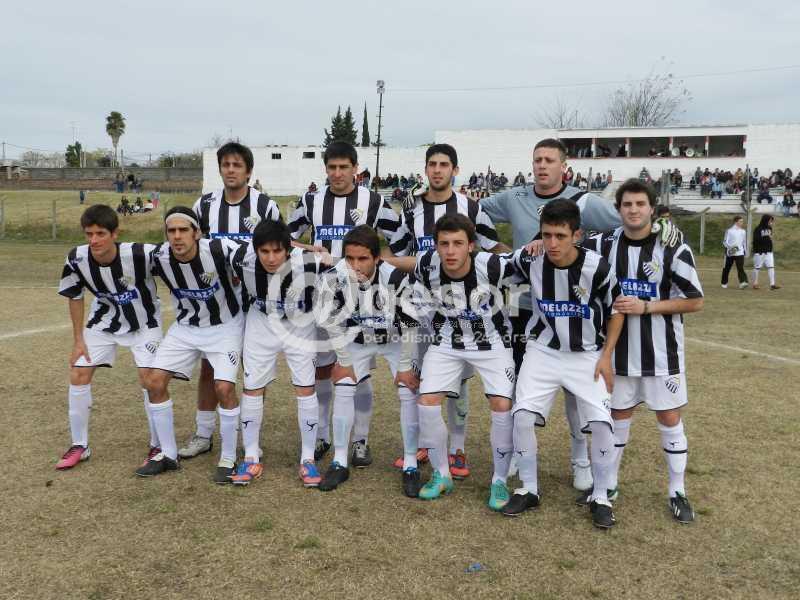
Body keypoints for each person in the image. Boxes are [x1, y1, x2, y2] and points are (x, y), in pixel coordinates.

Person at [479, 138, 625, 492]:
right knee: (521, 385)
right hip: (525, 309)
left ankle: (580, 460)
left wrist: (660, 226)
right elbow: (476, 212)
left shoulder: (584, 201)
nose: (542, 165)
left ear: (564, 166)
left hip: (573, 311)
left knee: (576, 395)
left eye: (549, 160)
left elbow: (624, 224)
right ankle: (519, 454)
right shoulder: (514, 197)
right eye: (537, 160)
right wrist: (498, 246)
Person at [580, 179, 704, 524]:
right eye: (627, 204)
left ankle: (677, 491)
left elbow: (695, 300)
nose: (634, 210)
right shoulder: (603, 244)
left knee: (669, 418)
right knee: (617, 418)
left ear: (652, 208)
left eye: (640, 204)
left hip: (662, 354)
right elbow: (566, 240)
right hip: (617, 355)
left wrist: (646, 306)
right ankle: (609, 486)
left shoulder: (673, 247)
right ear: (618, 209)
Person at [384, 143, 510, 480]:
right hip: (423, 306)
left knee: (461, 381)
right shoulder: (411, 210)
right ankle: (427, 444)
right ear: (425, 169)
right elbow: (398, 254)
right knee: (423, 377)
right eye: (432, 164)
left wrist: (525, 257)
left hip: (463, 307)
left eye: (444, 165)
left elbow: (491, 247)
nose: (437, 170)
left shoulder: (471, 207)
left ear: (455, 170)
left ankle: (457, 449)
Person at [505, 199, 623, 529]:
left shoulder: (597, 267)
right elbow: (494, 265)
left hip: (587, 354)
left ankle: (601, 496)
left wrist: (607, 356)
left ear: (577, 235)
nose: (552, 243)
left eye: (560, 236)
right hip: (543, 350)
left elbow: (616, 310)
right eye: (546, 235)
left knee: (601, 425)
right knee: (522, 416)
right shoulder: (531, 258)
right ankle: (529, 489)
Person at [287, 141, 401, 468]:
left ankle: (360, 440)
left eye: (343, 167)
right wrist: (310, 250)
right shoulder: (311, 200)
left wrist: (379, 268)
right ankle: (323, 434)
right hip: (323, 297)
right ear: (325, 169)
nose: (337, 173)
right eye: (332, 167)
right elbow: (286, 238)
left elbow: (401, 240)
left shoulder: (373, 201)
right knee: (324, 368)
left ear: (355, 169)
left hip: (362, 300)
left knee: (359, 373)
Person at [179, 142, 282, 462]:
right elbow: (194, 248)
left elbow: (279, 248)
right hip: (217, 300)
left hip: (254, 300)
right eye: (226, 165)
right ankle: (203, 433)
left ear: (249, 171)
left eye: (237, 165)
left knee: (254, 371)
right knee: (209, 368)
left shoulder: (265, 206)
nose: (231, 170)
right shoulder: (204, 205)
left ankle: (251, 437)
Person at [412, 214, 516, 511]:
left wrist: (536, 246)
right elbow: (408, 267)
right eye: (444, 244)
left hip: (493, 342)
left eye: (458, 243)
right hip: (448, 341)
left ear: (471, 246)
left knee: (501, 405)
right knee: (426, 402)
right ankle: (441, 474)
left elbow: (527, 263)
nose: (450, 251)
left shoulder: (492, 265)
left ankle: (499, 479)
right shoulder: (426, 265)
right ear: (435, 246)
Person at [56, 205, 163, 470]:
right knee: (78, 372)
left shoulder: (141, 254)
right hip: (104, 322)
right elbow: (74, 296)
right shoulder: (77, 258)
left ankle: (157, 445)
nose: (94, 240)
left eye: (100, 234)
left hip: (145, 323)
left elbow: (176, 262)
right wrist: (78, 340)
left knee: (149, 379)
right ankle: (79, 445)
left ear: (115, 234)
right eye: (89, 234)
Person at [141, 206, 244, 480]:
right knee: (154, 382)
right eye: (171, 231)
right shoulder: (158, 256)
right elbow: (120, 253)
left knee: (224, 388)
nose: (177, 236)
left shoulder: (220, 249)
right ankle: (168, 455)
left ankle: (229, 458)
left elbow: (261, 250)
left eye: (183, 230)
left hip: (225, 326)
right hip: (186, 327)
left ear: (197, 233)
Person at [317, 226, 421, 496]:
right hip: (357, 339)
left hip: (395, 339)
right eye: (350, 258)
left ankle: (411, 463)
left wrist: (406, 367)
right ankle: (340, 461)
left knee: (407, 389)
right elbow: (331, 322)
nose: (355, 266)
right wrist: (344, 361)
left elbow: (410, 326)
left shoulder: (396, 277)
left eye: (363, 259)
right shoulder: (332, 278)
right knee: (344, 385)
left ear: (377, 258)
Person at [228, 220, 329, 487]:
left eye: (277, 251)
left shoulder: (310, 262)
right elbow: (211, 244)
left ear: (288, 249)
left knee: (305, 388)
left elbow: (343, 265)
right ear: (255, 250)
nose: (271, 258)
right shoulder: (241, 256)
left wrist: (319, 252)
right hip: (261, 321)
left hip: (300, 323)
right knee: (252, 387)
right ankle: (251, 457)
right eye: (264, 251)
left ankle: (308, 459)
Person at [751, 215, 780, 290]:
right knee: (757, 267)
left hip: (769, 252)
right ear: (765, 220)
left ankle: (772, 284)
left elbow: (770, 239)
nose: (771, 222)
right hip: (760, 252)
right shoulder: (758, 229)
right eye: (770, 220)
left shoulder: (770, 228)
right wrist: (766, 237)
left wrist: (770, 240)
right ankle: (755, 283)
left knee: (771, 267)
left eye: (771, 221)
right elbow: (756, 240)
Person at [721, 216, 748, 289]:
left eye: (742, 221)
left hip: (740, 253)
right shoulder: (729, 231)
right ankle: (724, 283)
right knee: (727, 268)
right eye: (740, 221)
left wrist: (745, 251)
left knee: (740, 268)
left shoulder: (743, 231)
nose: (742, 223)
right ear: (736, 222)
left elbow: (744, 242)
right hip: (730, 253)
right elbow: (724, 242)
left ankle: (743, 282)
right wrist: (731, 248)